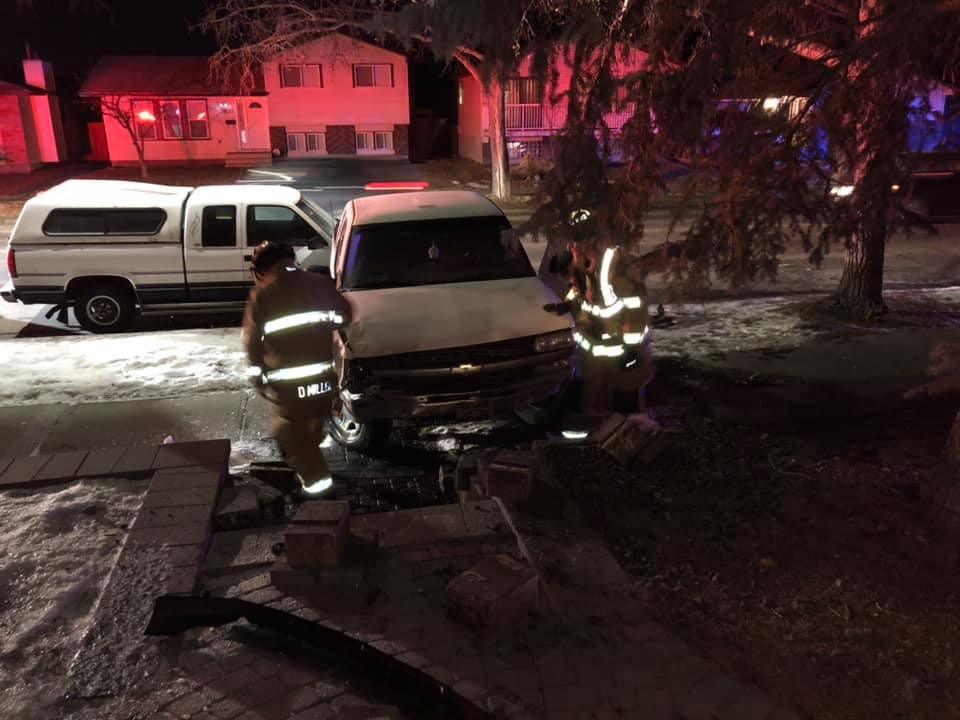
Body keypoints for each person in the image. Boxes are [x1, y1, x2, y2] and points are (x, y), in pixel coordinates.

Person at [243, 241, 352, 496]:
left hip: (289, 388)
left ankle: (318, 489)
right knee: (312, 428)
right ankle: (315, 470)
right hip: (324, 380)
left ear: (261, 269)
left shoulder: (263, 295)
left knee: (288, 434)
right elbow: (345, 314)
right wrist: (324, 323)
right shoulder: (318, 283)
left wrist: (258, 378)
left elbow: (252, 344)